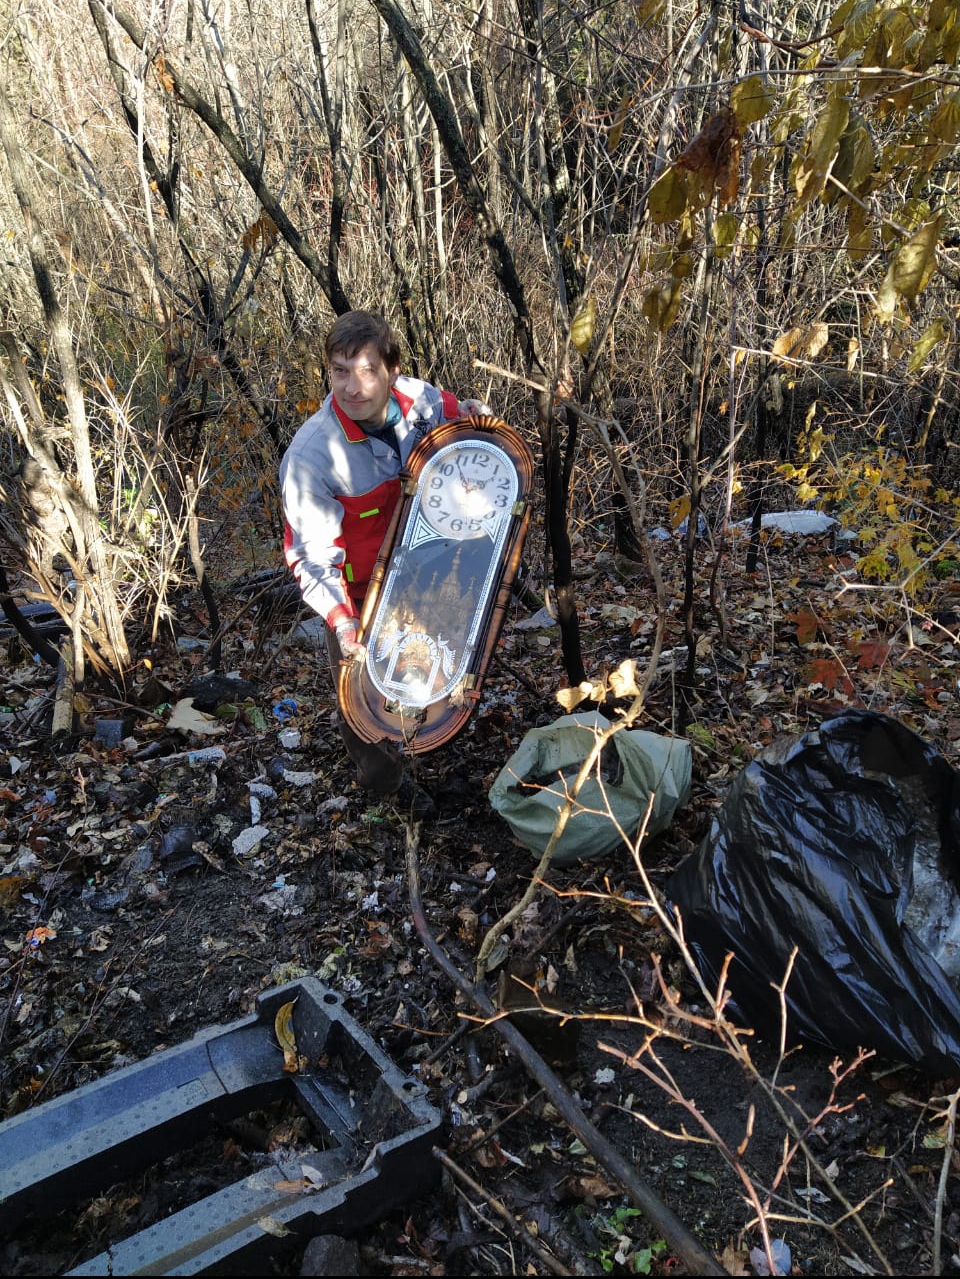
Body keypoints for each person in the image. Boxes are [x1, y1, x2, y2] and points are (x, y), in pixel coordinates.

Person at [279, 310, 489, 815]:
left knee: (433, 674)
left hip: (426, 580)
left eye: (367, 370)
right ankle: (389, 789)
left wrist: (475, 416)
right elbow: (311, 556)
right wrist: (344, 623)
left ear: (392, 370)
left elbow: (459, 415)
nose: (353, 386)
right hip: (359, 600)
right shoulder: (312, 455)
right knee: (362, 707)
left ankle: (429, 742)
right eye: (340, 371)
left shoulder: (419, 401)